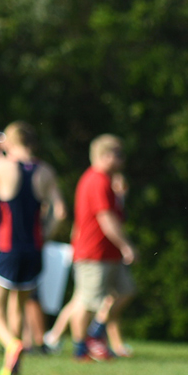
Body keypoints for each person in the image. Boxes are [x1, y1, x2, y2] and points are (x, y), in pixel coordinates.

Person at [0, 121, 65, 375]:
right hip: (33, 250)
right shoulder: (45, 171)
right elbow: (60, 212)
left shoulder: (0, 167)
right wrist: (46, 234)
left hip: (7, 247)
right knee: (18, 308)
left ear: (10, 142)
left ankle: (12, 344)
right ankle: (13, 366)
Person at [60, 134, 137, 361]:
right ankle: (80, 348)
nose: (122, 160)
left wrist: (121, 196)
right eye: (118, 155)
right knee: (87, 302)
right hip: (94, 252)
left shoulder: (108, 182)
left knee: (126, 291)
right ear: (104, 156)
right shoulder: (96, 180)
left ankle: (95, 333)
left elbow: (116, 214)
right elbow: (106, 219)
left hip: (107, 252)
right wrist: (126, 246)